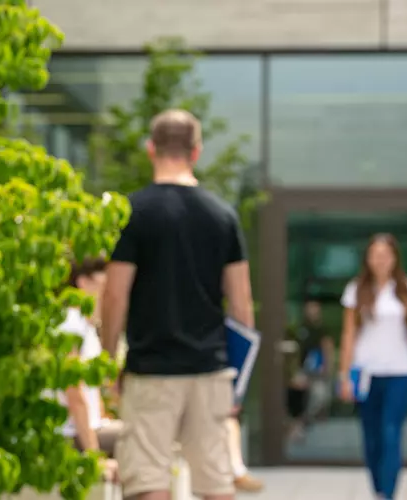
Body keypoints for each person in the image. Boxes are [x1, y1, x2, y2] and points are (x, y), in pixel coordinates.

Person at [99, 109, 255, 500]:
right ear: (196, 152)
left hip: (152, 370)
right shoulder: (223, 216)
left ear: (151, 149)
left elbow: (115, 294)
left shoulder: (132, 213)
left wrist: (107, 360)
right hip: (210, 369)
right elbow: (241, 303)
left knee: (149, 481)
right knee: (216, 483)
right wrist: (238, 377)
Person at [338, 233, 407, 500]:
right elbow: (348, 335)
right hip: (366, 373)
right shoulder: (356, 290)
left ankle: (387, 495)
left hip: (401, 372)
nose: (380, 260)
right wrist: (344, 375)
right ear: (367, 258)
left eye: (385, 255)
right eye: (375, 255)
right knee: (371, 438)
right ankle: (378, 488)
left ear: (395, 258)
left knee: (391, 433)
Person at [52, 257, 121, 482]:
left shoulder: (84, 325)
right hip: (68, 433)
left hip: (89, 427)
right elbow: (74, 393)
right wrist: (94, 457)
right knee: (144, 439)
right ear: (83, 281)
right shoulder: (69, 323)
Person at [287, 299, 335, 441]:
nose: (311, 311)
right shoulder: (301, 328)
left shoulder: (322, 329)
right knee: (298, 395)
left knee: (319, 396)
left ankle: (306, 424)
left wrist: (328, 367)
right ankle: (297, 425)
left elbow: (328, 347)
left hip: (318, 370)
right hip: (303, 369)